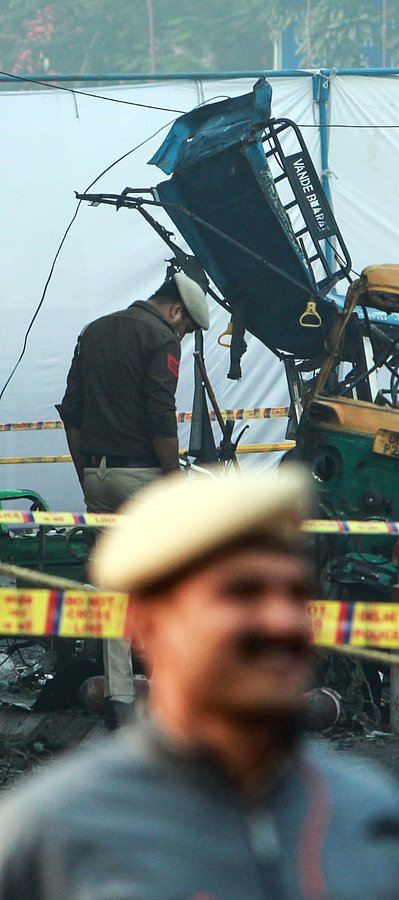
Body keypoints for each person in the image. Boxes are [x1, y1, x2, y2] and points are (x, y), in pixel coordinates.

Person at [0, 468, 399, 899]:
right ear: (148, 625)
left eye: (295, 594)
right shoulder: (55, 834)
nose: (280, 622)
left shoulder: (369, 816)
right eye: (243, 594)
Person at [57, 265, 211, 721]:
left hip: (98, 476)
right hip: (142, 479)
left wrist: (86, 474)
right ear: (176, 311)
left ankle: (120, 698)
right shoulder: (160, 338)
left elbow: (72, 413)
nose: (182, 336)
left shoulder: (94, 331)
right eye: (186, 328)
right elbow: (160, 416)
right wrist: (174, 480)